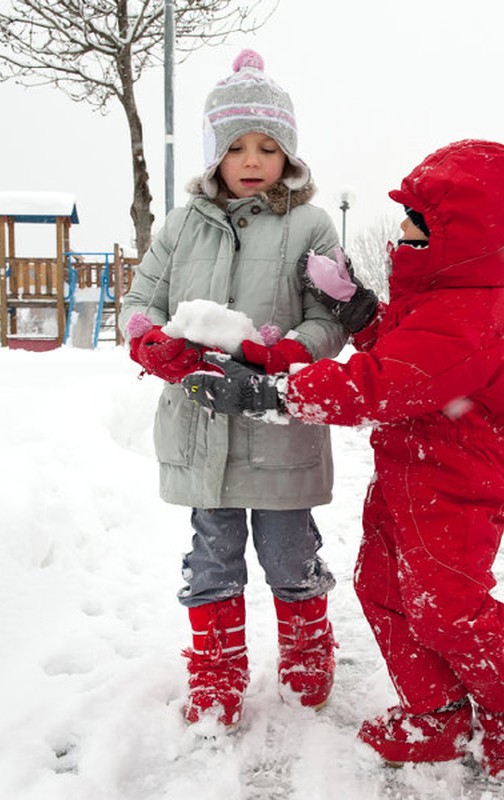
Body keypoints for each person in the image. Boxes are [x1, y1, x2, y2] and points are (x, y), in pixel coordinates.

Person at [182, 139, 504, 779]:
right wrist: (363, 311)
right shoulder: (437, 300)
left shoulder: (469, 318)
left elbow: (380, 383)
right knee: (381, 590)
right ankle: (439, 711)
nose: (400, 233)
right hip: (409, 477)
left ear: (461, 239)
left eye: (418, 225)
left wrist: (273, 392)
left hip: (457, 489)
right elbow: (402, 348)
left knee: (449, 607)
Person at [119, 48, 348, 729]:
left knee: (289, 553)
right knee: (212, 557)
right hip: (201, 425)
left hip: (278, 426)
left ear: (289, 154)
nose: (252, 160)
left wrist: (287, 353)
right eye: (236, 145)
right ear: (214, 150)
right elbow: (142, 299)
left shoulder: (310, 226)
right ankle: (217, 669)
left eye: (268, 147)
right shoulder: (183, 225)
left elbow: (331, 317)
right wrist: (152, 341)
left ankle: (307, 651)